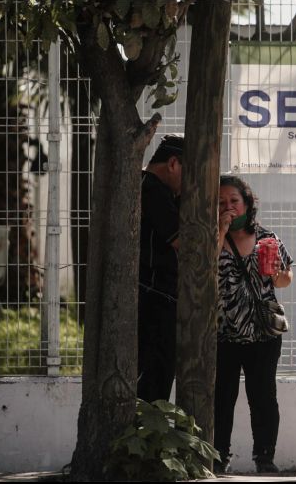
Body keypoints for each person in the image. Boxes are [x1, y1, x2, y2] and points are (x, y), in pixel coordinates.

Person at [214, 174, 294, 475]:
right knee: (222, 398)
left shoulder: (266, 238)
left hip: (263, 332)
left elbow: (285, 279)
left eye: (234, 201)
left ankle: (265, 457)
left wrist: (276, 274)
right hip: (223, 331)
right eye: (221, 202)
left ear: (247, 204)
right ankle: (218, 456)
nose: (229, 207)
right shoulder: (212, 237)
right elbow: (202, 266)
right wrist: (221, 230)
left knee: (263, 397)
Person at [137, 134, 184, 403]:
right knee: (154, 381)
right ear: (173, 164)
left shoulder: (146, 185)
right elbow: (184, 242)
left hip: (153, 296)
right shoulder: (153, 189)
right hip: (155, 298)